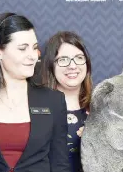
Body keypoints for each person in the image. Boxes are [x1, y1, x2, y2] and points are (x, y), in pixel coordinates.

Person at [0, 12, 70, 172]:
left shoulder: (53, 101)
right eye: (22, 48)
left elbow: (60, 163)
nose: (32, 56)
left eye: (34, 48)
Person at [41, 31, 93, 172]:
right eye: (63, 59)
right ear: (51, 65)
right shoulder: (39, 108)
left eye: (79, 58)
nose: (72, 66)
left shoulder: (98, 107)